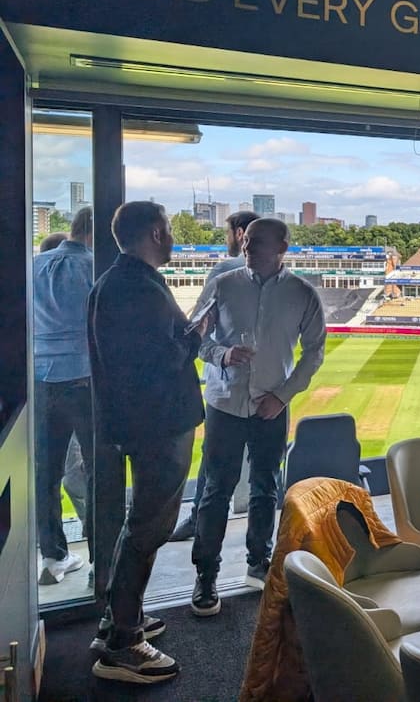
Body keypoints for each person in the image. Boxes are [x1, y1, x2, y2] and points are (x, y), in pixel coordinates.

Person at [88, 201, 211, 684]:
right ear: (157, 233)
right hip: (158, 426)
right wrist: (197, 335)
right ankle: (123, 644)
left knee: (140, 525)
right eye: (169, 229)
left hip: (144, 424)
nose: (172, 236)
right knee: (148, 527)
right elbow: (161, 362)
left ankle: (119, 619)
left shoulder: (118, 282)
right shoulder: (135, 287)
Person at [191, 217, 326, 614]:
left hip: (271, 406)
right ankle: (206, 574)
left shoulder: (303, 293)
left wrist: (283, 396)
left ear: (283, 247)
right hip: (225, 404)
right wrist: (223, 354)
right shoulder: (224, 284)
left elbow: (314, 351)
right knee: (216, 491)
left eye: (258, 242)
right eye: (246, 240)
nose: (247, 247)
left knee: (266, 488)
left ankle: (259, 561)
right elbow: (198, 337)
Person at [168, 210, 259, 542]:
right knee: (263, 474)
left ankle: (200, 531)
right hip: (268, 390)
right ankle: (259, 550)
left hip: (227, 388)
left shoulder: (223, 271)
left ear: (238, 233)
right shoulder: (283, 275)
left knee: (215, 467)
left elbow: (196, 329)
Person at [32, 207, 95, 585]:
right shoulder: (95, 267)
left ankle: (53, 556)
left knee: (46, 472)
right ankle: (100, 559)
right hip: (84, 381)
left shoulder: (35, 265)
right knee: (97, 471)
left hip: (40, 381)